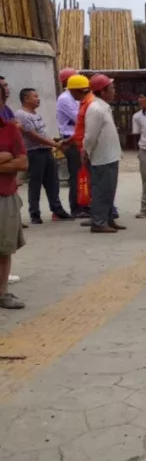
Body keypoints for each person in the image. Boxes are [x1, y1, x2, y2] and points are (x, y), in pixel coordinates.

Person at [15, 88, 72, 224]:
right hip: (34, 152)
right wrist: (55, 144)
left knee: (53, 182)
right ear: (26, 99)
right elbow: (33, 136)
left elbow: (41, 134)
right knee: (35, 183)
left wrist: (52, 143)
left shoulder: (35, 114)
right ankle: (35, 213)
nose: (38, 99)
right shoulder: (22, 114)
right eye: (35, 96)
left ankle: (57, 209)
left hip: (46, 151)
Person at [82, 74, 125, 234]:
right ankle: (99, 222)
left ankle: (107, 219)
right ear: (103, 90)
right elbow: (90, 136)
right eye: (111, 88)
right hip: (101, 157)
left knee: (109, 190)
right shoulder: (95, 109)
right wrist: (87, 152)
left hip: (110, 155)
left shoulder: (103, 106)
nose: (114, 91)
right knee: (101, 191)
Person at [0, 100, 28, 309]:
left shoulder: (10, 129)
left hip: (5, 197)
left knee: (4, 249)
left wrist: (9, 159)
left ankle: (2, 293)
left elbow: (22, 163)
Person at [56, 69, 89, 218]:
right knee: (76, 175)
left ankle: (84, 204)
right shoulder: (65, 98)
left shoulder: (75, 98)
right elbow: (79, 118)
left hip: (80, 139)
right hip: (72, 140)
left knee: (84, 175)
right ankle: (76, 208)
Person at [130, 89, 146, 218]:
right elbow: (136, 135)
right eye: (138, 97)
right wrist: (139, 152)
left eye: (142, 96)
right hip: (145, 150)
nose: (139, 100)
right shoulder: (137, 116)